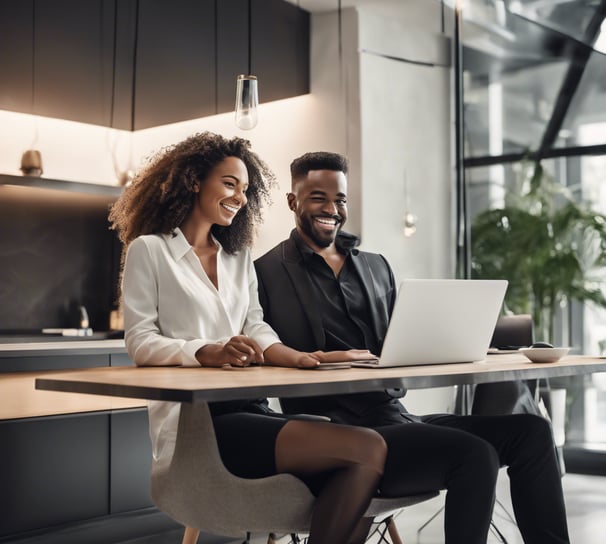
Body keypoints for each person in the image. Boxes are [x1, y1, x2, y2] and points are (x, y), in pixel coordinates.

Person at [254, 151, 571, 544]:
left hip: (398, 417)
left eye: (341, 199)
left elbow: (400, 342)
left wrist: (464, 345)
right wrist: (316, 360)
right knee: (475, 455)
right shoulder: (265, 273)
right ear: (293, 201)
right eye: (319, 197)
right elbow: (262, 353)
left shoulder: (375, 266)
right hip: (339, 436)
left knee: (532, 432)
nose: (332, 209)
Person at [108, 133, 389, 544]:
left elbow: (255, 325)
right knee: (366, 448)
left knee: (366, 454)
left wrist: (302, 357)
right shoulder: (149, 251)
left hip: (251, 406)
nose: (239, 197)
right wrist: (206, 351)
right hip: (200, 425)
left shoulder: (237, 259)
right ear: (192, 181)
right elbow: (141, 340)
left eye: (244, 189)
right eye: (228, 184)